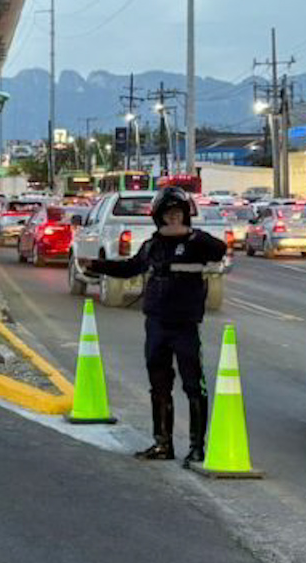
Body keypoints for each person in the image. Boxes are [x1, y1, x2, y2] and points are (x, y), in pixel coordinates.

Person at [84, 185, 226, 465]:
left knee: (193, 386)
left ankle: (197, 448)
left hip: (185, 324)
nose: (173, 219)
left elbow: (219, 250)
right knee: (159, 385)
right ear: (159, 217)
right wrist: (97, 265)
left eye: (178, 214)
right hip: (156, 324)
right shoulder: (152, 245)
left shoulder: (198, 242)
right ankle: (162, 444)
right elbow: (130, 268)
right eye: (168, 215)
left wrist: (189, 235)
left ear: (185, 216)